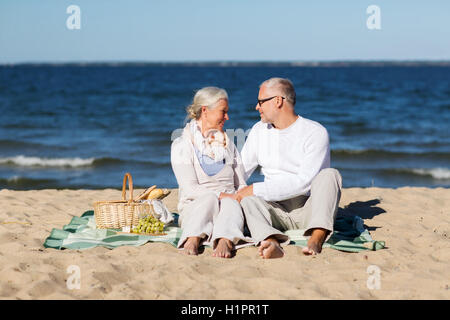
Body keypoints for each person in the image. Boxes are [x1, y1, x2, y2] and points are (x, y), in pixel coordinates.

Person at [237, 77, 342, 258]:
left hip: (307, 208)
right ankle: (271, 241)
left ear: (278, 101)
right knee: (248, 201)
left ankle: (316, 238)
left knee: (330, 175)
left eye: (261, 101)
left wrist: (254, 188)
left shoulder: (314, 132)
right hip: (274, 210)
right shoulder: (258, 131)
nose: (257, 107)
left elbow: (304, 183)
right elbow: (239, 171)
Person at [171, 86, 251, 258]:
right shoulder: (182, 145)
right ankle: (192, 238)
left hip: (229, 209)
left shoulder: (228, 144)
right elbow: (190, 189)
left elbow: (241, 184)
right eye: (223, 112)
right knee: (209, 199)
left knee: (231, 204)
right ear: (205, 111)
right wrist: (223, 195)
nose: (227, 117)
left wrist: (236, 197)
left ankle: (224, 240)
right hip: (196, 208)